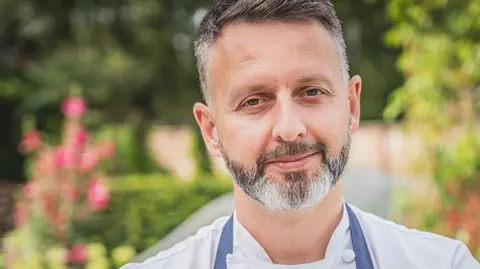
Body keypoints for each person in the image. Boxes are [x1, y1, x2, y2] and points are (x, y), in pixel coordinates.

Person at [121, 0, 480, 268]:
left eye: (311, 92)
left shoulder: (443, 263)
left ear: (352, 106)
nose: (290, 128)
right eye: (254, 101)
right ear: (211, 130)